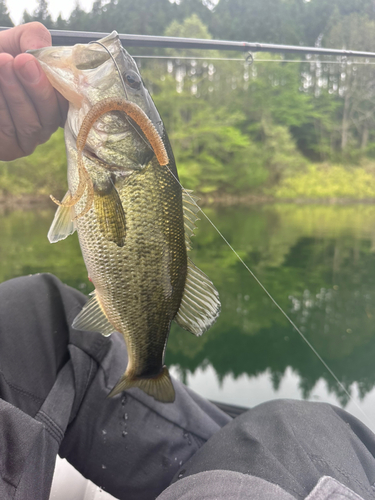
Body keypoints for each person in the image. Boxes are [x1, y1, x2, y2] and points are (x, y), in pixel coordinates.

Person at [1, 22, 375, 500]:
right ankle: (151, 376)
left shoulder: (114, 164)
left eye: (132, 85)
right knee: (308, 430)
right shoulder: (113, 164)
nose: (123, 79)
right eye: (130, 84)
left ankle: (145, 367)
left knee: (39, 311)